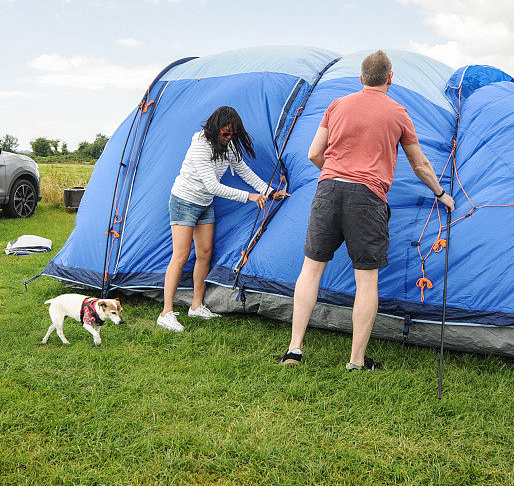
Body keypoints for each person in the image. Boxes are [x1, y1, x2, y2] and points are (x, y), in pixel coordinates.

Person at [281, 50, 455, 370]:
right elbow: (420, 163)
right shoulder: (398, 112)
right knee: (366, 281)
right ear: (390, 78)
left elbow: (314, 154)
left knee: (311, 270)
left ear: (361, 79)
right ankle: (356, 362)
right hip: (368, 197)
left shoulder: (336, 105)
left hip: (328, 190)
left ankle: (294, 350)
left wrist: (332, 173)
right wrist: (441, 193)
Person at [157, 105, 289, 332]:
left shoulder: (228, 147)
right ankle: (166, 312)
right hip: (184, 201)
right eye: (225, 133)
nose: (229, 137)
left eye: (233, 133)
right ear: (214, 128)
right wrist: (249, 196)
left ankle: (196, 306)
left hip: (205, 204)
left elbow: (245, 171)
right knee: (181, 255)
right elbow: (212, 185)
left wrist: (269, 191)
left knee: (205, 254)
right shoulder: (200, 144)